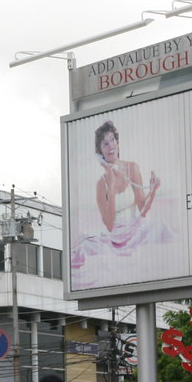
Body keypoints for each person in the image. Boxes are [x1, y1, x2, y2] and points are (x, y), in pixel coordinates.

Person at [70, 120, 172, 289]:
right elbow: (109, 225)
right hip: (115, 237)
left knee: (160, 229)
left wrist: (153, 190)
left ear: (117, 142)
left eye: (112, 140)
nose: (110, 146)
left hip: (135, 229)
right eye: (105, 144)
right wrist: (110, 185)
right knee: (85, 248)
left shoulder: (132, 168)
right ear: (100, 152)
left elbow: (142, 208)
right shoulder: (101, 184)